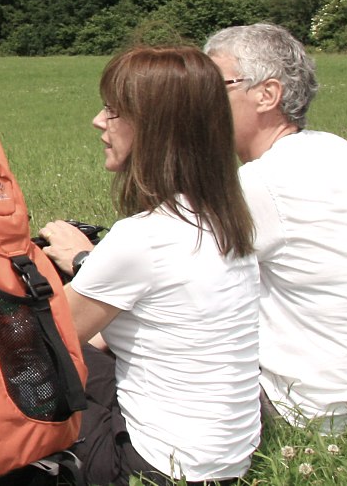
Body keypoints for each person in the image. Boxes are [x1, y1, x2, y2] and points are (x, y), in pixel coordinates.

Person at [36, 45, 260, 485]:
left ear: (159, 130)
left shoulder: (143, 237)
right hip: (228, 459)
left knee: (35, 381)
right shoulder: (227, 219)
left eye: (115, 112)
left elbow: (46, 342)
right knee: (93, 362)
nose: (99, 122)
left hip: (157, 467)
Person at [204, 23, 347, 434]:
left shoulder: (265, 182)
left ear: (268, 95)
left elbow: (166, 279)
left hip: (306, 407)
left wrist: (84, 259)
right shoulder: (334, 148)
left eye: (213, 86)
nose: (199, 102)